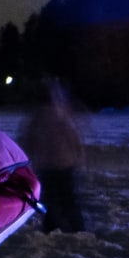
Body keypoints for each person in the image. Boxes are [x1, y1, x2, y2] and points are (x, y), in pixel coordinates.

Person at [22, 78, 89, 233]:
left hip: (47, 165)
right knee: (69, 199)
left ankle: (51, 226)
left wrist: (29, 160)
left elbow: (28, 140)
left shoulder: (35, 118)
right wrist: (79, 157)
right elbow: (74, 138)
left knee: (51, 199)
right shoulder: (61, 115)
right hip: (66, 163)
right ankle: (76, 226)